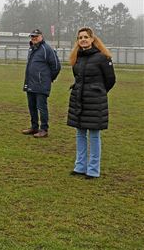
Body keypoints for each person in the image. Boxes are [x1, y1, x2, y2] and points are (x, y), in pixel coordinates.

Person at [67, 27, 115, 179]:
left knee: (94, 135)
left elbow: (110, 80)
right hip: (79, 101)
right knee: (80, 133)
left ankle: (93, 170)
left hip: (94, 101)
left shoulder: (102, 57)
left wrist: (98, 92)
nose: (83, 40)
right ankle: (80, 166)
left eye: (86, 37)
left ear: (92, 39)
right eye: (80, 37)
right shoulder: (77, 57)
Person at [22, 29, 61, 138]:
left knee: (41, 107)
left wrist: (48, 79)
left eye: (36, 36)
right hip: (30, 83)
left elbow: (56, 66)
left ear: (41, 36)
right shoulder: (31, 49)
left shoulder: (46, 49)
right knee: (32, 106)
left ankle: (44, 129)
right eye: (32, 36)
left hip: (41, 84)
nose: (34, 38)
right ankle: (34, 127)